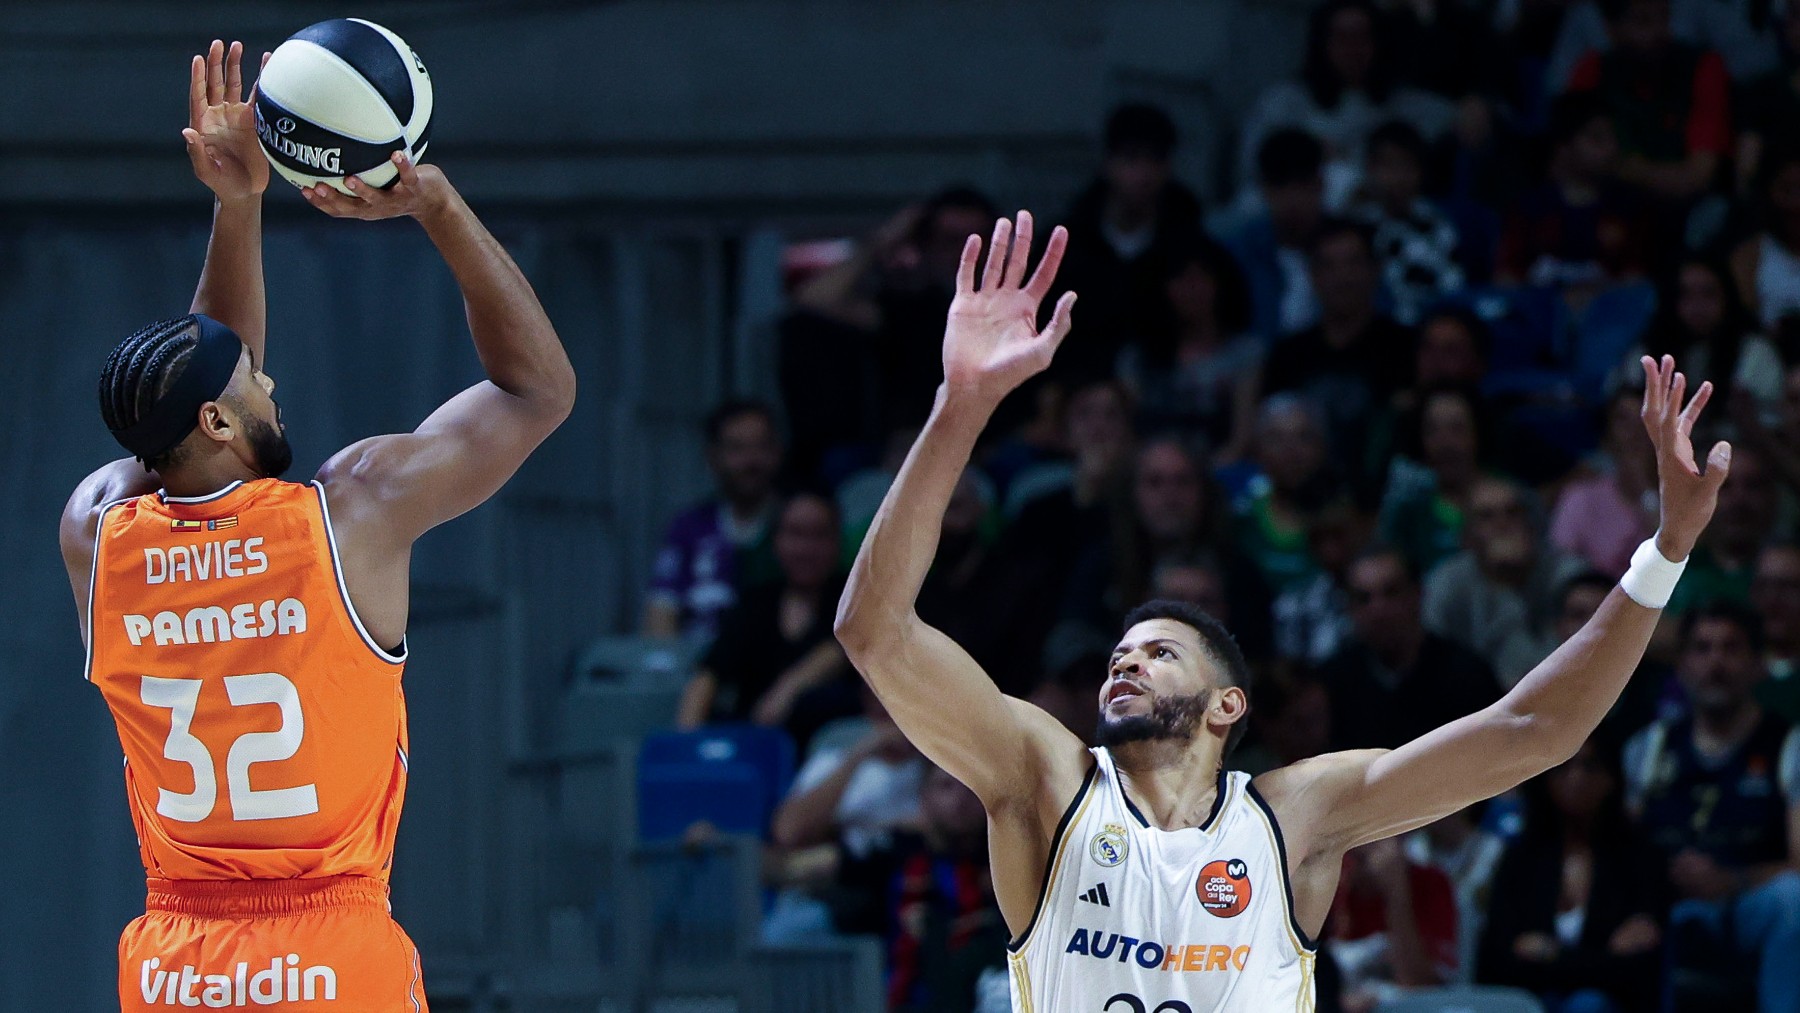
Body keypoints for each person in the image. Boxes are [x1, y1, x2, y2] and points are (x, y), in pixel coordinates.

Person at [833, 210, 1732, 1010]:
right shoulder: (1047, 781)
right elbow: (873, 630)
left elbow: (1534, 728)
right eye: (1120, 651)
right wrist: (963, 405)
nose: (1125, 660)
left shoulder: (1294, 815)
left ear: (1230, 704)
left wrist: (1665, 555)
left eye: (1160, 651)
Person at [62, 43, 576, 1012]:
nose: (271, 375)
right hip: (329, 948)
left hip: (175, 961)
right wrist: (437, 204)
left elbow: (187, 398)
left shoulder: (96, 533)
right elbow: (537, 389)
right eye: (255, 382)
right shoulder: (352, 512)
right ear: (216, 420)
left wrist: (237, 205)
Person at [1622, 603, 1800, 1013]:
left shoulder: (1786, 744)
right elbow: (1619, 850)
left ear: (1757, 663)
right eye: (1702, 649)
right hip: (1664, 902)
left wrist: (1731, 881)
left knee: (1793, 898)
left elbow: (1797, 862)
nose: (1715, 662)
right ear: (1682, 665)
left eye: (1731, 649)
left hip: (1749, 903)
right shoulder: (1648, 748)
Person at [1476, 736, 1667, 1012]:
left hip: (1609, 1004)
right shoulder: (1521, 858)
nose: (1576, 777)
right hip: (1528, 1000)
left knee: (1589, 1004)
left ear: (1612, 777)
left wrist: (1551, 956)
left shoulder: (1639, 857)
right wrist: (1601, 959)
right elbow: (1499, 960)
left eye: (1590, 766)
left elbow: (1636, 970)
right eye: (1564, 766)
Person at [676, 492, 854, 746]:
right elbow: (709, 673)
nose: (806, 548)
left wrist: (787, 690)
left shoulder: (855, 602)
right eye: (795, 534)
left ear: (837, 541)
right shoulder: (755, 603)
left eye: (819, 535)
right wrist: (685, 743)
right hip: (754, 750)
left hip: (832, 753)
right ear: (776, 540)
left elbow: (840, 649)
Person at [1052, 102, 1207, 378]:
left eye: (1155, 160)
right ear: (1108, 163)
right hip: (1080, 391)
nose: (1144, 174)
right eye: (1132, 158)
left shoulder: (1189, 244)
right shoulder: (1067, 244)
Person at [1321, 547, 1505, 750]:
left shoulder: (1467, 675)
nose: (1378, 610)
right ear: (1350, 607)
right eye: (1364, 598)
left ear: (1417, 594)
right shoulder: (1333, 684)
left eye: (1391, 592)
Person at [1423, 476, 1589, 687]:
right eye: (1486, 517)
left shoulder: (1568, 575)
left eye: (1512, 512)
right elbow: (1430, 665)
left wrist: (1506, 583)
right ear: (1468, 535)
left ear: (1531, 523)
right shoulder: (1447, 584)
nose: (1502, 524)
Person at [642, 400, 783, 645]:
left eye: (761, 446)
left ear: (777, 452)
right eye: (737, 448)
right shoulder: (689, 527)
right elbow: (660, 614)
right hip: (694, 662)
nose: (751, 461)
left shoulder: (795, 525)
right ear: (713, 456)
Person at [1350, 119, 1465, 324]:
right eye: (1389, 165)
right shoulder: (1356, 225)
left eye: (1407, 165)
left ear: (1421, 171)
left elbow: (1452, 287)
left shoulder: (1438, 223)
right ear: (1370, 168)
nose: (1398, 176)